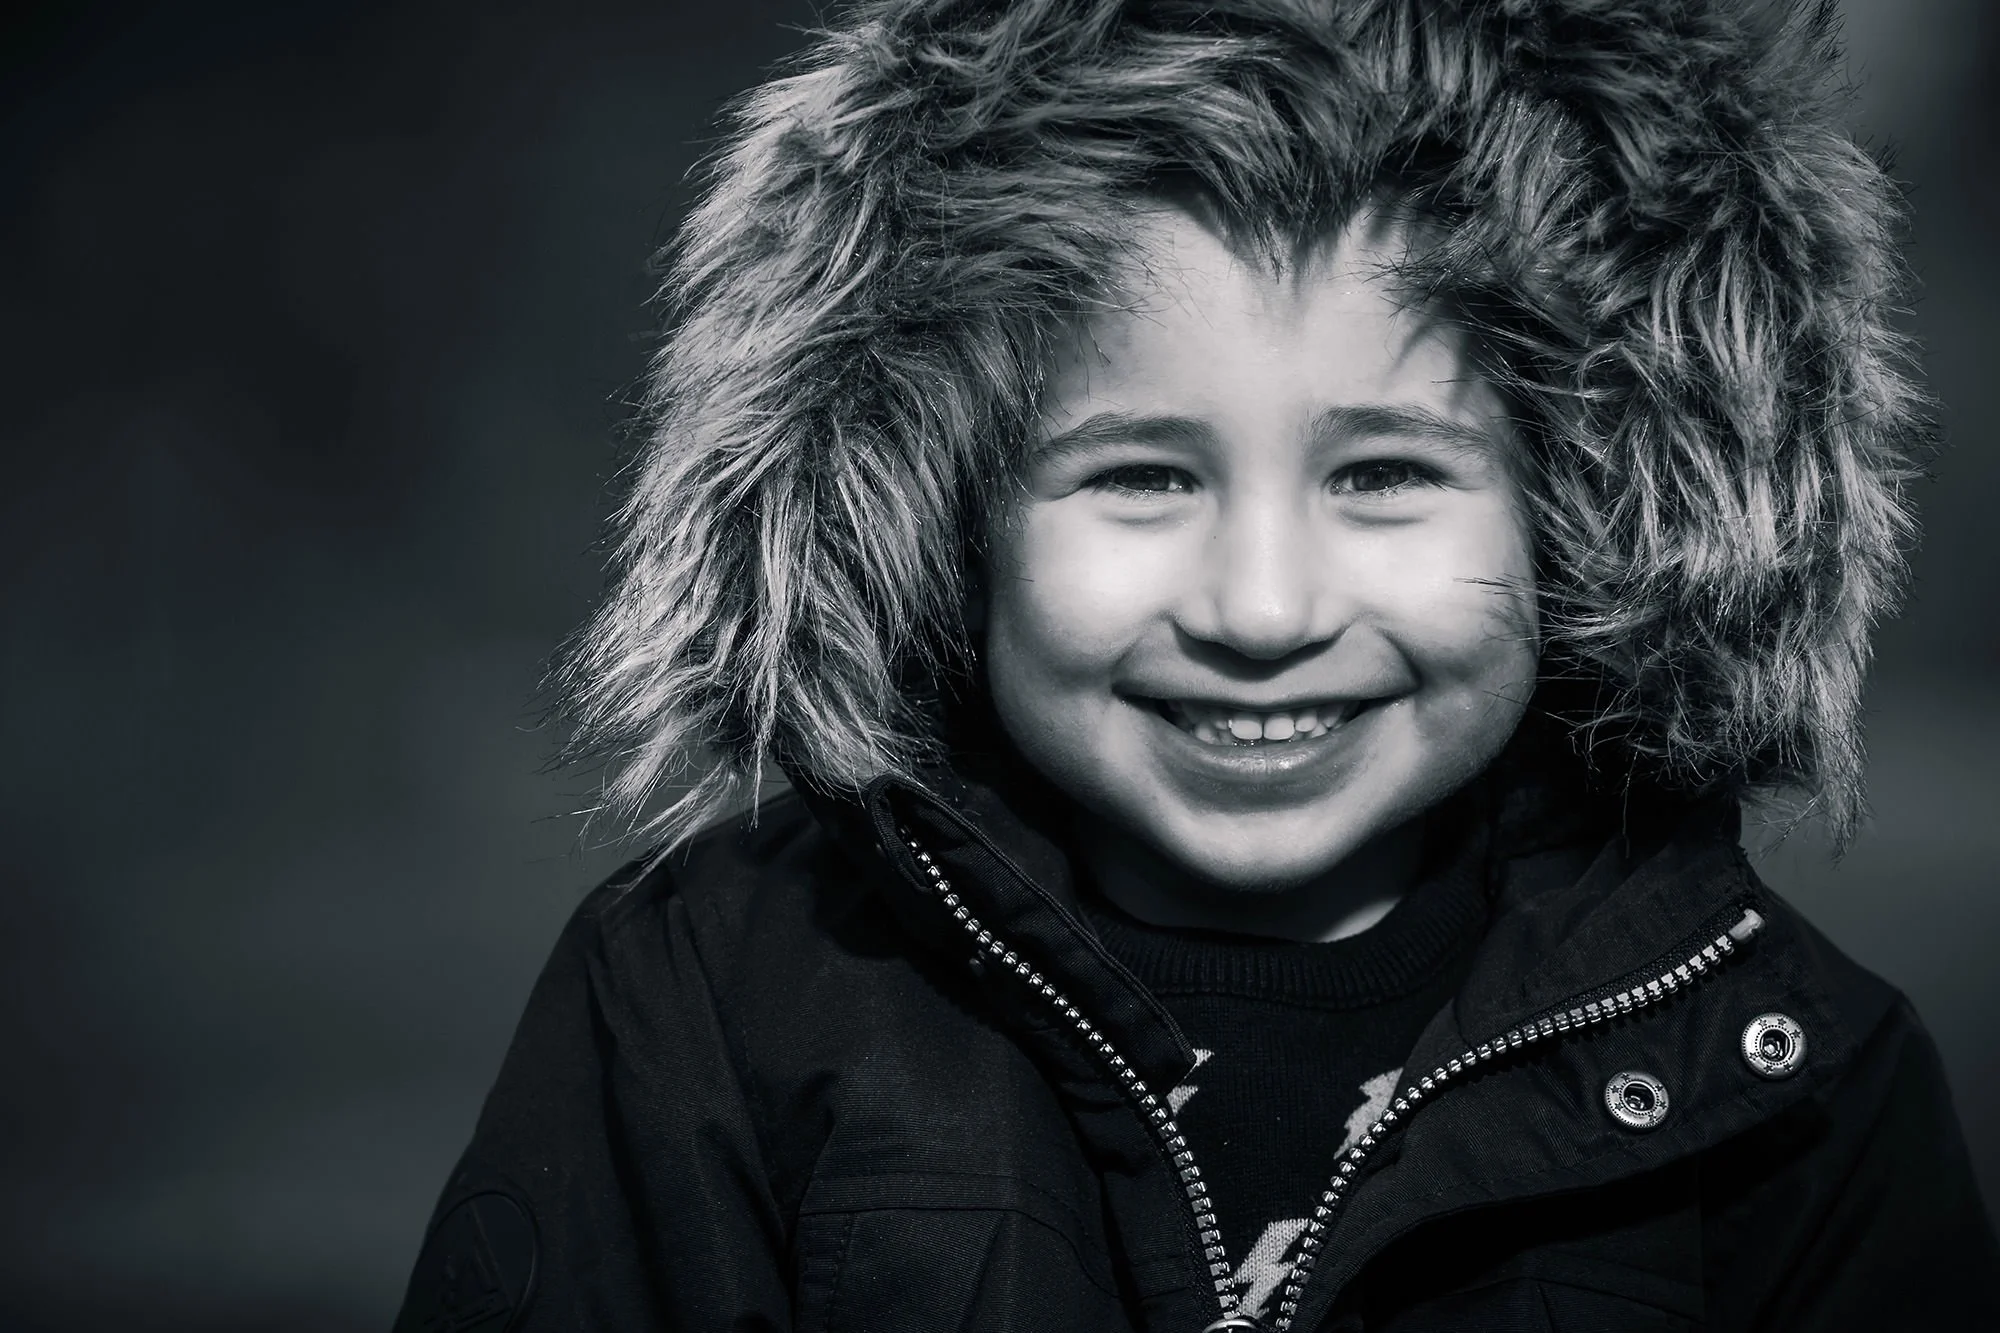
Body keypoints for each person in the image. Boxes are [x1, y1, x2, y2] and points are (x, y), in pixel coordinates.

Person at [394, 1, 1999, 1329]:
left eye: (1383, 474)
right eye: (1139, 476)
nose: (1259, 607)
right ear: (943, 519)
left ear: (1586, 518)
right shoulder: (713, 1004)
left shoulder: (1782, 1079)